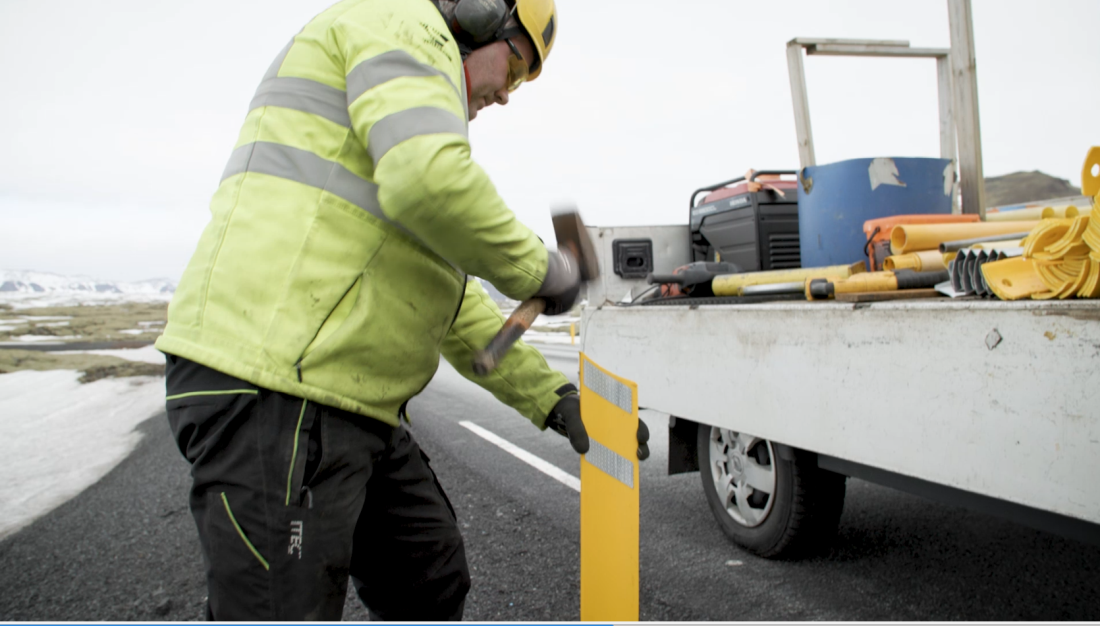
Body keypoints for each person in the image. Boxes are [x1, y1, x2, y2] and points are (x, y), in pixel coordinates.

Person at [155, 0, 649, 620]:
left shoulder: (406, 118)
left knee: (428, 578)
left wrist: (553, 398)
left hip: (346, 400)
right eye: (518, 66)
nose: (507, 95)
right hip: (278, 384)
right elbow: (428, 182)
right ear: (477, 15)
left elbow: (445, 293)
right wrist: (542, 269)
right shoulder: (402, 24)